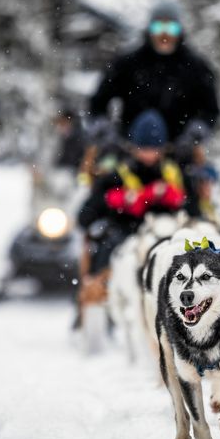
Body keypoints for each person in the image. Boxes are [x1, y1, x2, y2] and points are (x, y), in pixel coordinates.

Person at [88, 0, 220, 213]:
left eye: (171, 28)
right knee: (101, 205)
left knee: (196, 209)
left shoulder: (195, 67)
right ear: (150, 29)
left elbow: (211, 110)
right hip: (129, 152)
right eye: (159, 27)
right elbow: (98, 102)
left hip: (177, 152)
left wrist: (195, 134)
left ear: (180, 30)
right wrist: (105, 131)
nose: (164, 34)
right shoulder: (128, 63)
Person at [76, 110, 187, 309]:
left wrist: (173, 198)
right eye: (144, 147)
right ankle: (97, 291)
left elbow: (190, 205)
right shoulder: (117, 173)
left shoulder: (173, 172)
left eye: (155, 148)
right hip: (124, 231)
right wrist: (116, 200)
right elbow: (86, 215)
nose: (149, 154)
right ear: (133, 146)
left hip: (166, 233)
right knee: (107, 243)